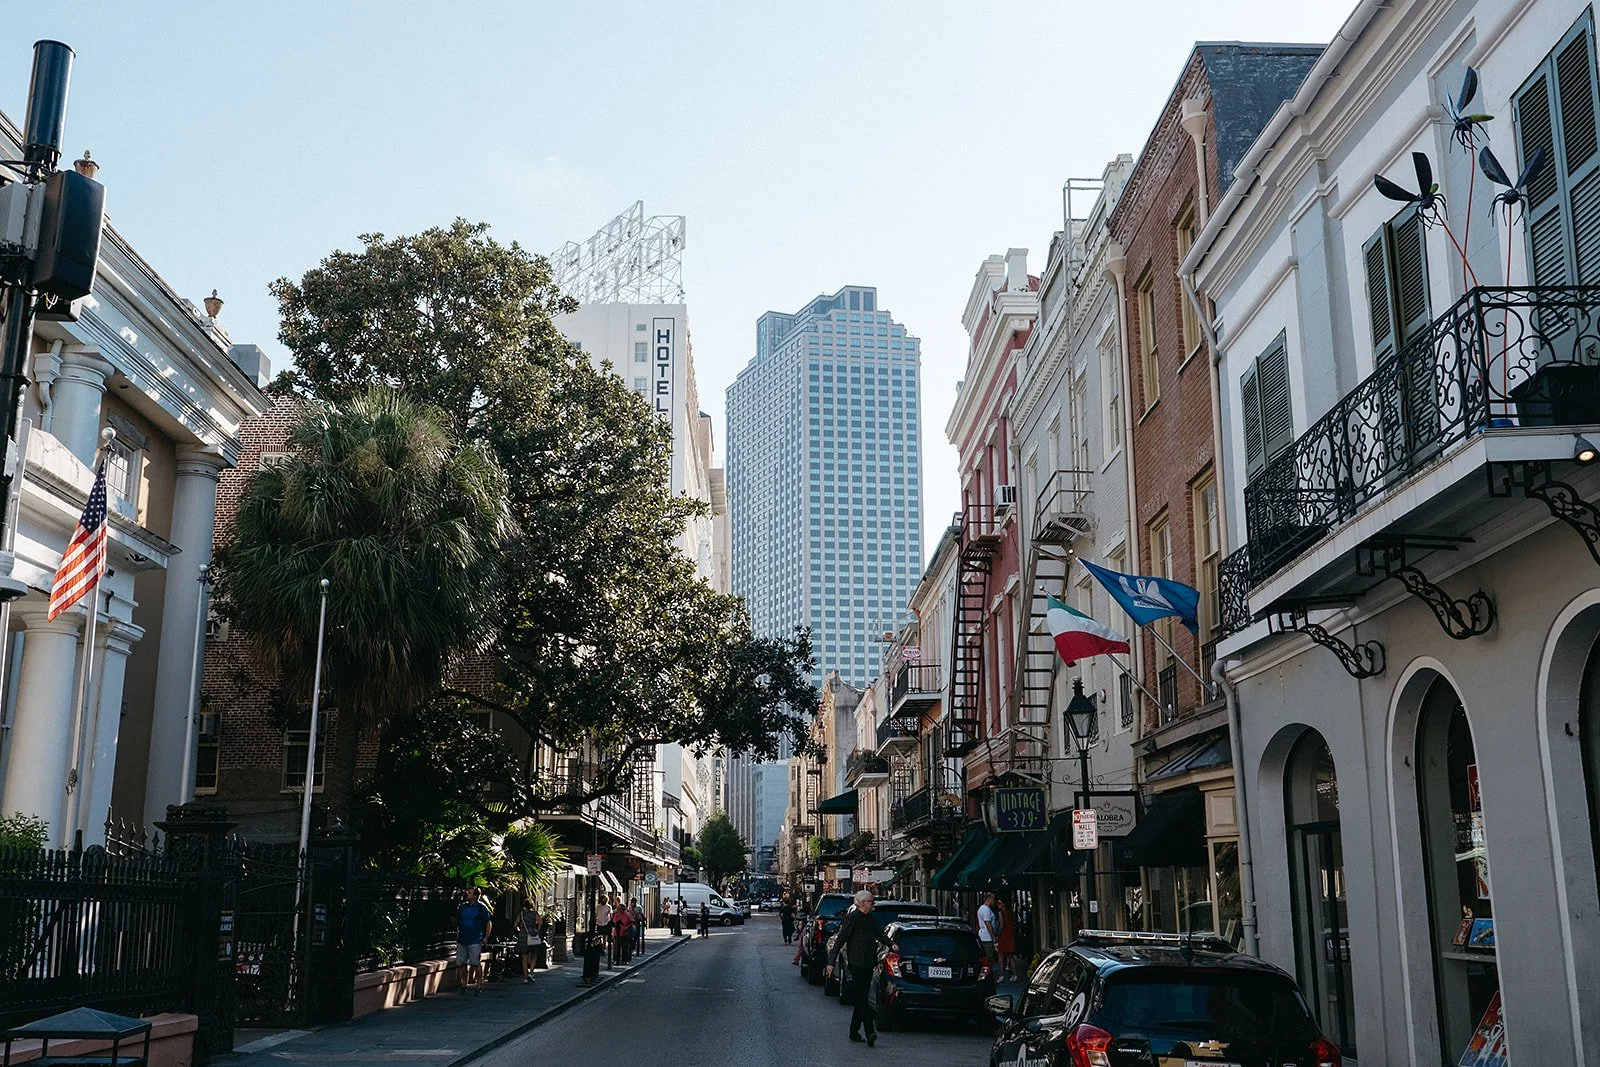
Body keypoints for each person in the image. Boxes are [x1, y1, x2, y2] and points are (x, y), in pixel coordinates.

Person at [826, 890, 895, 1047]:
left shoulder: (870, 918)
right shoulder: (852, 918)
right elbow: (840, 939)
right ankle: (870, 1031)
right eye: (871, 901)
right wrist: (831, 962)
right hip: (856, 963)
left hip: (868, 963)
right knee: (862, 998)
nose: (873, 904)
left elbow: (880, 934)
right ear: (862, 903)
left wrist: (892, 944)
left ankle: (853, 1030)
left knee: (861, 998)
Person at [455, 886, 493, 995]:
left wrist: (486, 937)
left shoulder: (481, 908)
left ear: (475, 896)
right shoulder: (462, 907)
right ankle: (464, 984)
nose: (467, 894)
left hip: (475, 939)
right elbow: (458, 921)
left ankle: (479, 986)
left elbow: (488, 922)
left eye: (470, 893)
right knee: (462, 963)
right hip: (463, 938)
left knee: (475, 963)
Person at [515, 898, 544, 983]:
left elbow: (515, 924)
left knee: (524, 956)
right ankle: (531, 972)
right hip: (532, 935)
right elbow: (540, 922)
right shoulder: (534, 914)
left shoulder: (521, 914)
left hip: (523, 936)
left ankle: (525, 976)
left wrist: (519, 931)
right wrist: (537, 930)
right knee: (534, 955)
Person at [976, 892, 1000, 974]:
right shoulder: (985, 910)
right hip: (987, 937)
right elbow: (988, 923)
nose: (994, 902)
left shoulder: (982, 909)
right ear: (989, 899)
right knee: (988, 957)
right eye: (993, 899)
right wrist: (993, 936)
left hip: (984, 935)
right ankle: (988, 973)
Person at [996, 896, 1017, 981]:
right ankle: (1014, 974)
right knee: (1010, 956)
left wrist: (998, 935)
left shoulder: (1001, 913)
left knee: (1000, 956)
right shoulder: (1009, 913)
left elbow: (1001, 925)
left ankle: (1001, 975)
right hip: (1009, 936)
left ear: (1003, 904)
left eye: (999, 903)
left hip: (1003, 936)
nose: (998, 905)